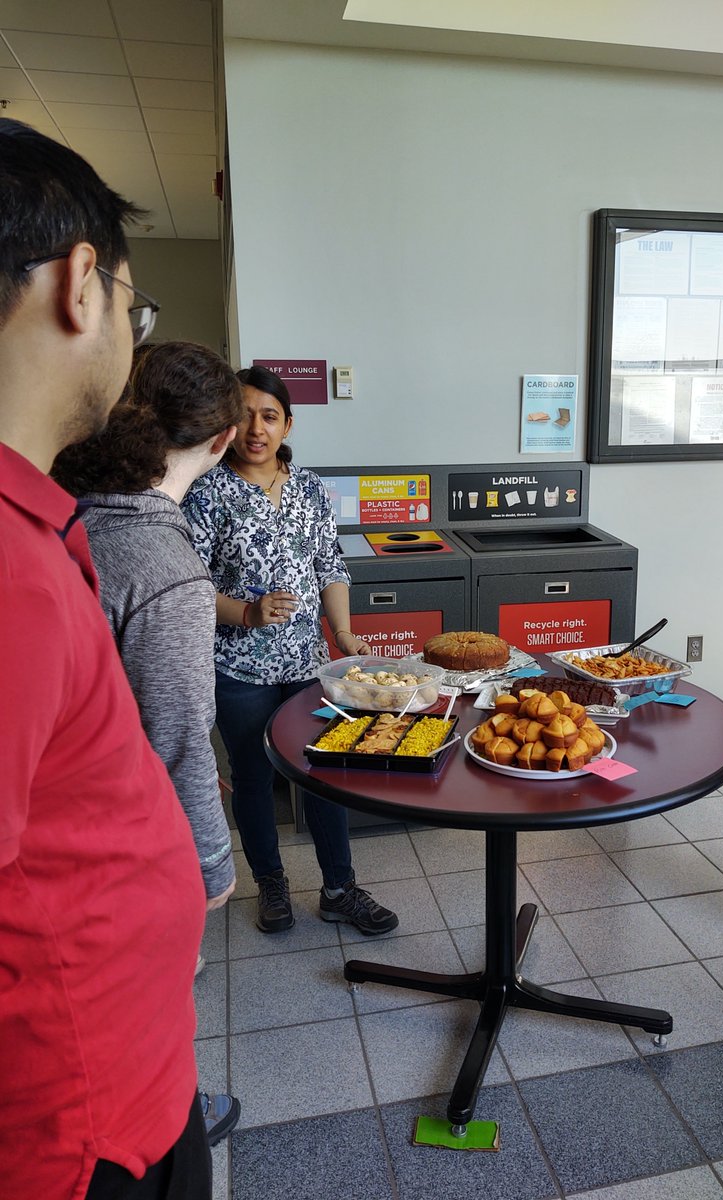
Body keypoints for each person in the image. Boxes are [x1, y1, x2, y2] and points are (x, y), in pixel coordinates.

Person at [0, 119, 212, 1197]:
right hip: (75, 1135)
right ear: (81, 285)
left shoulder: (39, 521)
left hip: (114, 1092)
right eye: (138, 304)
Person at [51, 343, 244, 1145]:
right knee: (149, 991)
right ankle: (166, 1116)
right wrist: (211, 866)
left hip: (55, 812)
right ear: (224, 439)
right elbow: (178, 739)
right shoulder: (161, 565)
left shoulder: (63, 511)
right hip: (121, 830)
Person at [182, 365, 399, 937]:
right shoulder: (206, 492)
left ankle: (339, 888)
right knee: (254, 778)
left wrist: (344, 634)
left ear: (287, 424)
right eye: (244, 414)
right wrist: (247, 613)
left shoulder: (309, 487)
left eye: (269, 416)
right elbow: (192, 586)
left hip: (307, 664)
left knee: (324, 772)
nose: (257, 428)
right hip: (238, 669)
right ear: (227, 424)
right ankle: (271, 885)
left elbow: (330, 564)